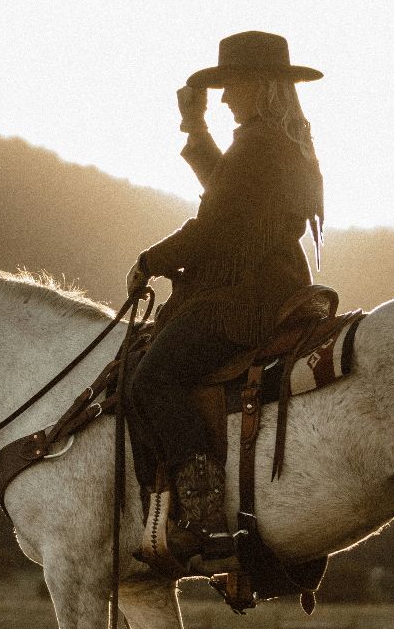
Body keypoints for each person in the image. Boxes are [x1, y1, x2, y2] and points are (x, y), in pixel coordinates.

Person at [125, 30, 327, 573]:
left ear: (258, 86)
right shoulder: (277, 141)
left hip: (249, 295)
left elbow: (213, 227)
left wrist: (151, 260)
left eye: (232, 85)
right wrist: (195, 128)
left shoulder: (260, 143)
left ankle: (204, 507)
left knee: (152, 379)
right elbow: (229, 196)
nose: (225, 97)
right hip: (272, 284)